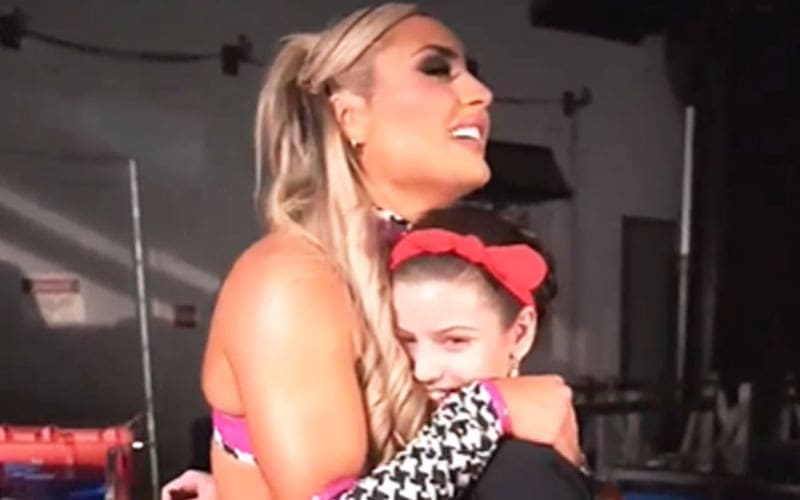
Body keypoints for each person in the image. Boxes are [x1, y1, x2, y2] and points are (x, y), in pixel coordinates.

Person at [200, 3, 579, 499]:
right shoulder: (290, 280)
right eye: (436, 70)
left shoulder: (408, 265)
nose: (481, 94)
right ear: (351, 117)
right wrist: (489, 411)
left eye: (472, 73)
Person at [164, 207, 588, 500]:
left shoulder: (524, 469)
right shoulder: (410, 433)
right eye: (405, 340)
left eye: (455, 341)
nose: (424, 369)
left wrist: (486, 409)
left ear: (520, 333)